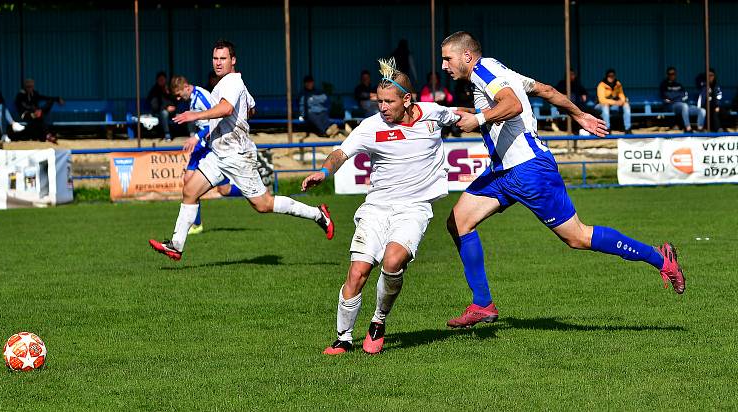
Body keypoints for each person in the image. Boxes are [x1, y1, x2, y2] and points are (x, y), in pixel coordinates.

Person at [439, 31, 685, 329]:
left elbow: (513, 105)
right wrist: (579, 115)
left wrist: (478, 119)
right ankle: (482, 304)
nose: (443, 66)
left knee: (578, 237)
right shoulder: (496, 70)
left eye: (447, 58)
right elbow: (543, 90)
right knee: (458, 222)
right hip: (504, 172)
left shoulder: (484, 70)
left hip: (529, 171)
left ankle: (661, 259)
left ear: (466, 56)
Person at [301, 58, 460, 355]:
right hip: (376, 207)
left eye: (389, 101)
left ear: (408, 99)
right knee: (357, 272)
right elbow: (340, 153)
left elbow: (462, 117)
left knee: (392, 262)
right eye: (379, 101)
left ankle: (378, 320)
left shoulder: (433, 114)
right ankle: (343, 338)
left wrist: (494, 116)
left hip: (414, 208)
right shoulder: (370, 127)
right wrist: (323, 172)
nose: (382, 107)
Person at [149, 40, 334, 260]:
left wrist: (195, 116)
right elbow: (251, 108)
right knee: (189, 191)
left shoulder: (232, 82)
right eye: (215, 58)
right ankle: (176, 245)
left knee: (264, 205)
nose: (218, 63)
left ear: (233, 60)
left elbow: (227, 109)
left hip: (236, 154)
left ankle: (318, 214)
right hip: (219, 152)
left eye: (223, 58)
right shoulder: (232, 84)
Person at [169, 75, 241, 236]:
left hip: (212, 145)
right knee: (188, 181)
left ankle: (253, 191)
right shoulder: (191, 98)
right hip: (202, 144)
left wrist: (196, 137)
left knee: (225, 190)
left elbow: (217, 119)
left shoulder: (201, 97)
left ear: (187, 86)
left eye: (180, 94)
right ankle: (197, 224)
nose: (179, 98)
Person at [15, 78, 63, 144]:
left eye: (31, 86)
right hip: (26, 114)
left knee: (49, 103)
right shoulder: (20, 95)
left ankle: (45, 136)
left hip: (37, 113)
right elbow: (23, 106)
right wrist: (34, 111)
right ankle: (47, 135)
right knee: (39, 117)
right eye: (28, 86)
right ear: (25, 86)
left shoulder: (35, 93)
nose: (30, 88)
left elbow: (44, 97)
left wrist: (57, 98)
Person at [660, 66, 702, 133]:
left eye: (673, 74)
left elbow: (685, 95)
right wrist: (677, 96)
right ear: (667, 75)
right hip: (672, 105)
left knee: (701, 110)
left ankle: (700, 129)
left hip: (682, 104)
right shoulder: (664, 85)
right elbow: (666, 96)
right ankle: (688, 128)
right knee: (684, 106)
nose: (672, 75)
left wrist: (675, 96)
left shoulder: (679, 85)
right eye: (670, 74)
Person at [596, 69, 632, 134]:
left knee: (626, 105)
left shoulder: (617, 84)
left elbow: (621, 94)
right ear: (607, 76)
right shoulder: (601, 85)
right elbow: (602, 100)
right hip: (600, 106)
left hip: (613, 105)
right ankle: (607, 129)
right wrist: (615, 102)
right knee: (605, 105)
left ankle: (628, 129)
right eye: (609, 76)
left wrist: (622, 101)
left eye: (612, 76)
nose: (611, 77)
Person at [147, 71, 179, 141]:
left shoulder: (169, 89)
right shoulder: (154, 90)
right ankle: (167, 134)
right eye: (160, 80)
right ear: (157, 80)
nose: (162, 81)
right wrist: (166, 108)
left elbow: (176, 100)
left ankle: (191, 133)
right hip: (158, 113)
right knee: (164, 113)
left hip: (172, 112)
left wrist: (173, 106)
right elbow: (154, 106)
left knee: (187, 112)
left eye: (163, 79)